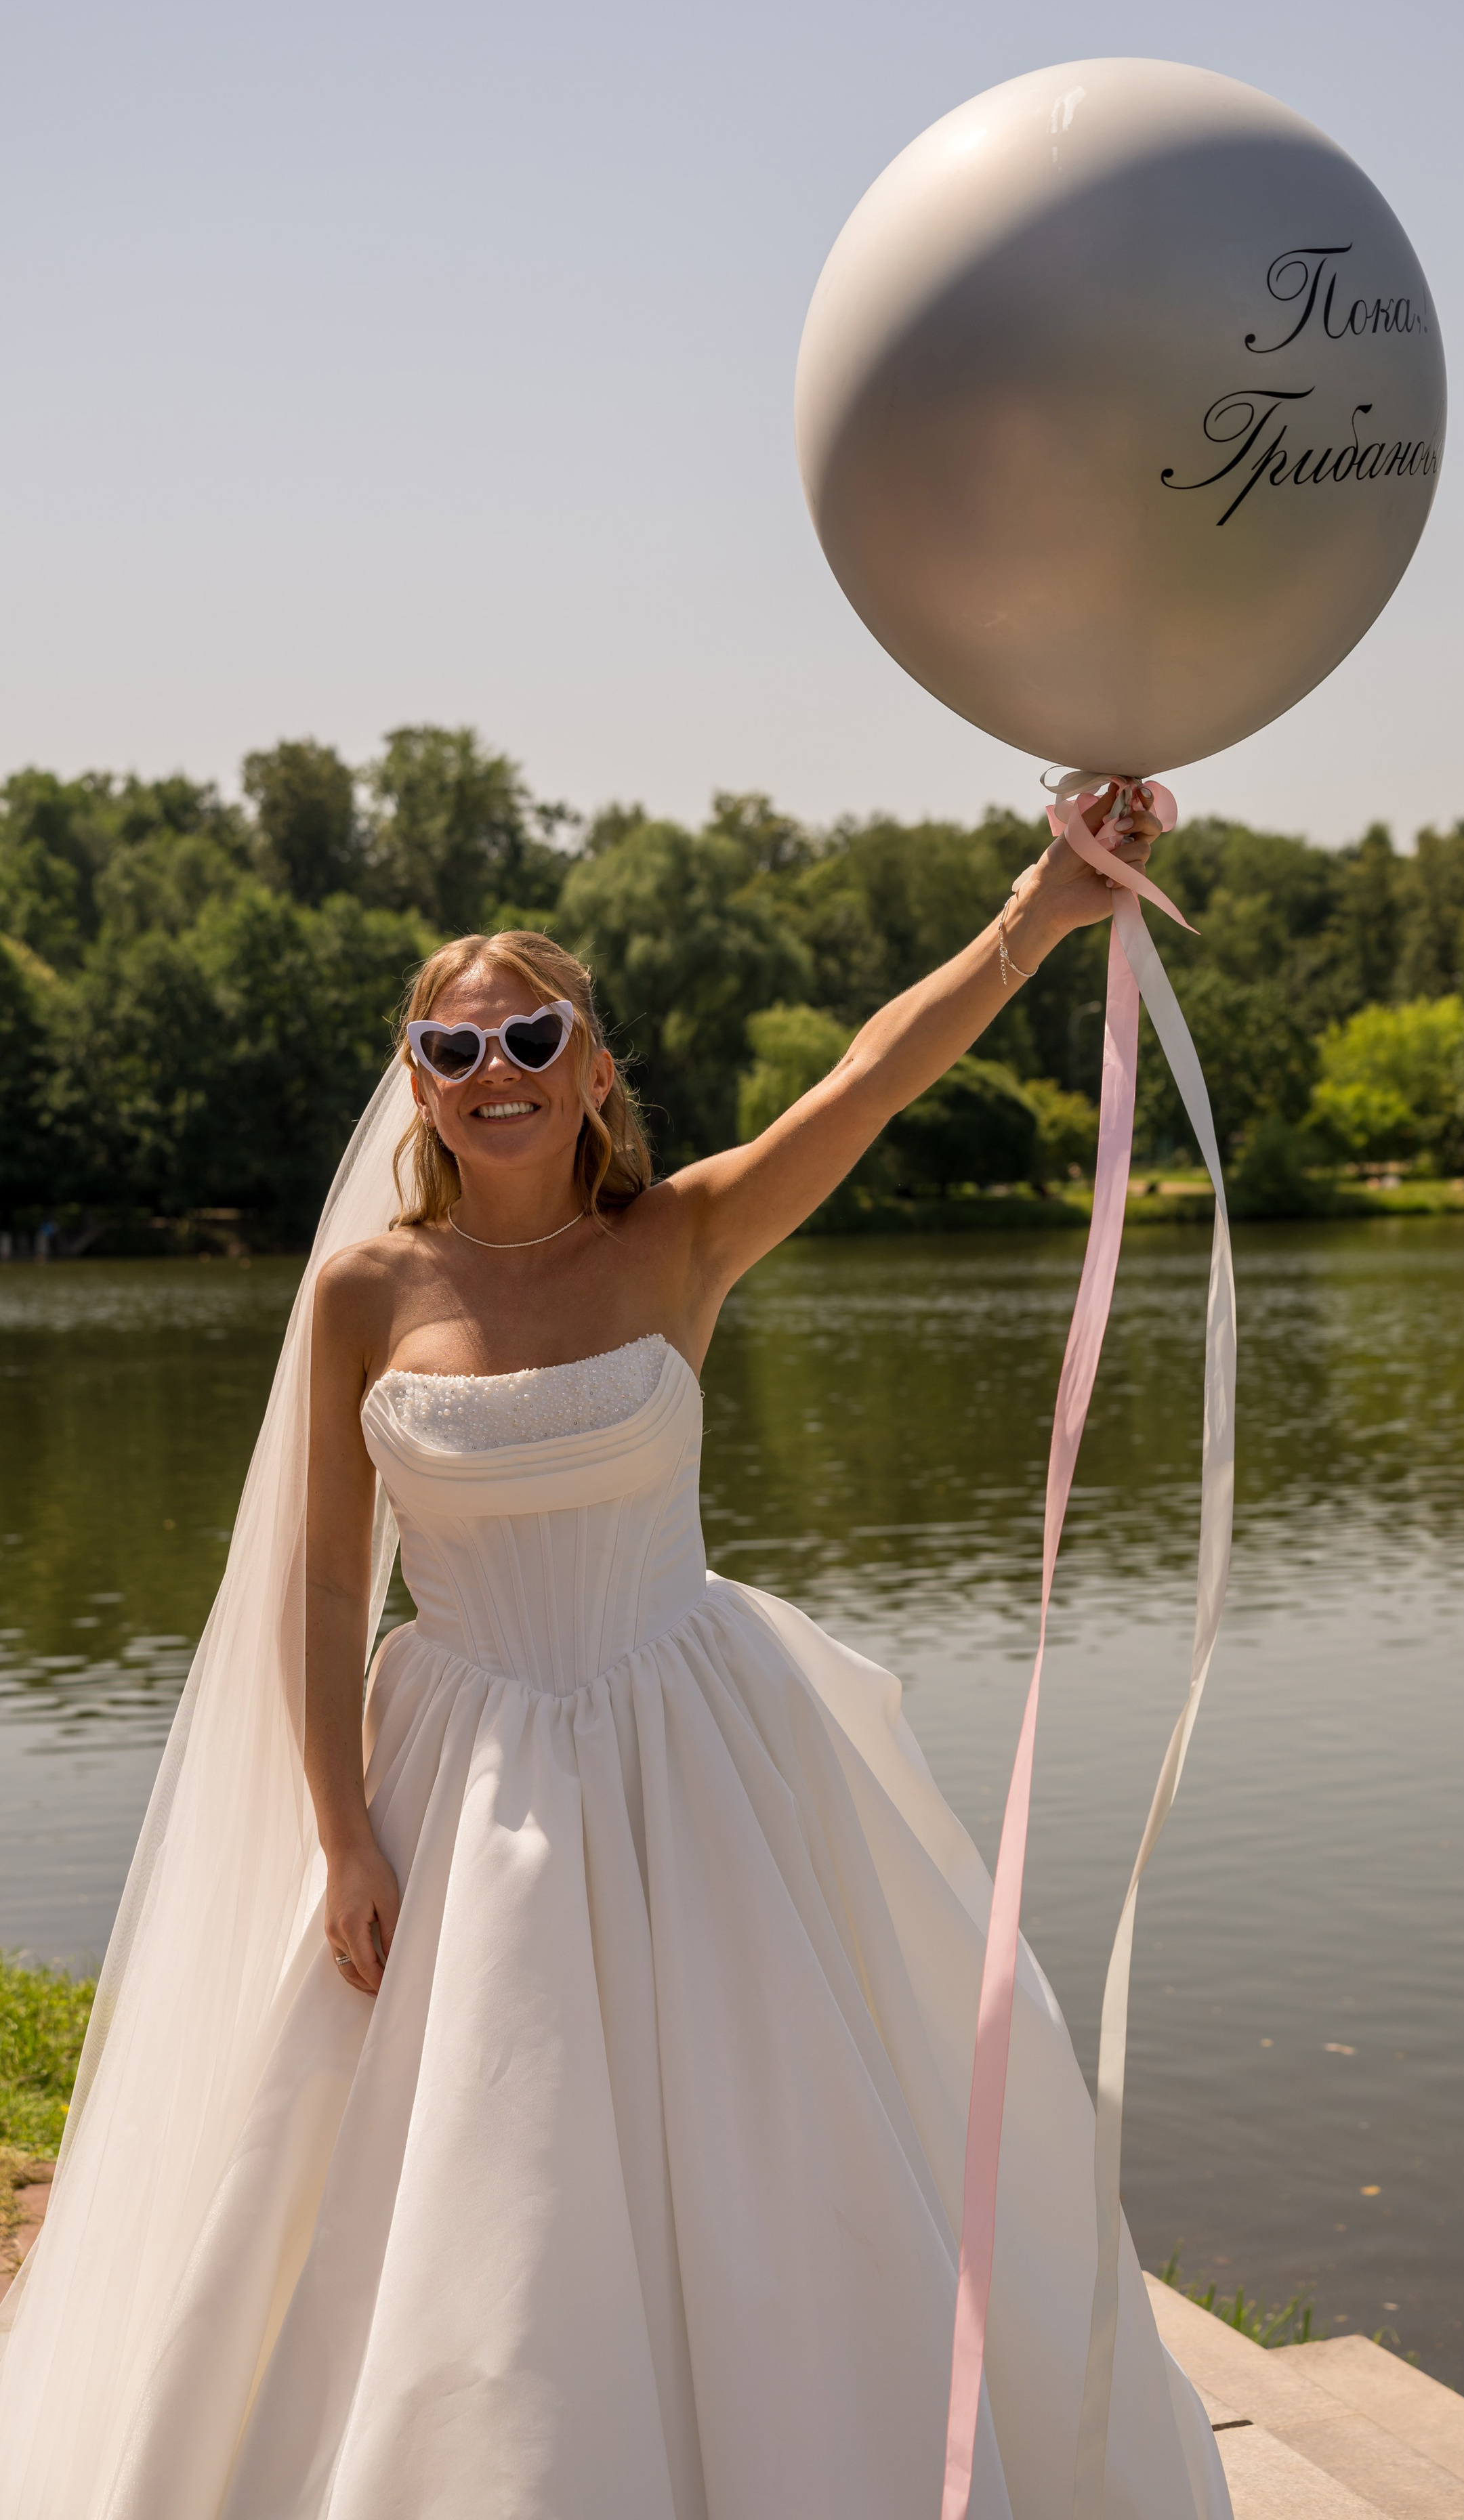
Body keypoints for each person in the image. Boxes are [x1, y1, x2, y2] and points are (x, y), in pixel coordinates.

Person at [0, 785, 1231, 2520]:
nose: (491, 1063)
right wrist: (344, 1832)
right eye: (452, 1041)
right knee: (479, 2178)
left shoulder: (683, 1242)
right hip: (457, 1773)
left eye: (530, 1030)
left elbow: (873, 1075)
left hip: (693, 1753)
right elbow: (319, 1582)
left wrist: (1043, 901)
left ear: (591, 1068)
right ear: (417, 1080)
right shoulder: (364, 1292)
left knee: (759, 2150)